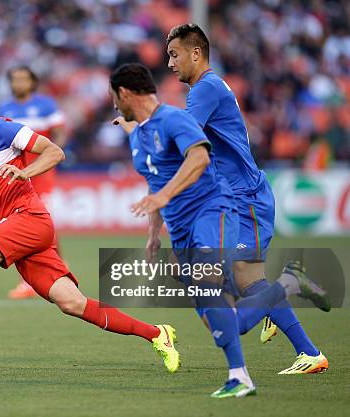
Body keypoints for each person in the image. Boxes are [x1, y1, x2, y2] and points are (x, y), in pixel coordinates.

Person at [0, 86, 180, 374]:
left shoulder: (6, 131)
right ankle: (158, 334)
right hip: (17, 231)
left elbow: (55, 152)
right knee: (72, 303)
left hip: (29, 218)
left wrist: (26, 172)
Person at [110, 63, 329, 397]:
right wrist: (154, 233)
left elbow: (198, 158)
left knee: (218, 290)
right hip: (182, 226)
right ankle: (286, 286)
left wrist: (164, 196)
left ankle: (242, 377)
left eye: (115, 97)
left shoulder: (174, 118)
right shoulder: (138, 139)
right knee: (224, 321)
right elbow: (156, 184)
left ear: (125, 93)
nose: (114, 106)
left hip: (212, 212)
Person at [165, 23, 329, 374]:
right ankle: (308, 350)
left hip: (244, 198)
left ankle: (288, 286)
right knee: (245, 282)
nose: (170, 63)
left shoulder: (204, 90)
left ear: (196, 53)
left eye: (174, 54)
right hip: (235, 197)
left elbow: (184, 138)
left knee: (229, 292)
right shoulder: (210, 88)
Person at [0, 65, 68, 299]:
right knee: (21, 224)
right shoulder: (5, 108)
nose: (18, 83)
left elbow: (60, 131)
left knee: (44, 223)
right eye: (14, 79)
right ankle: (28, 281)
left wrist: (54, 153)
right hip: (16, 174)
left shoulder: (46, 104)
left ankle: (58, 273)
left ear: (32, 82)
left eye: (23, 79)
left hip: (42, 173)